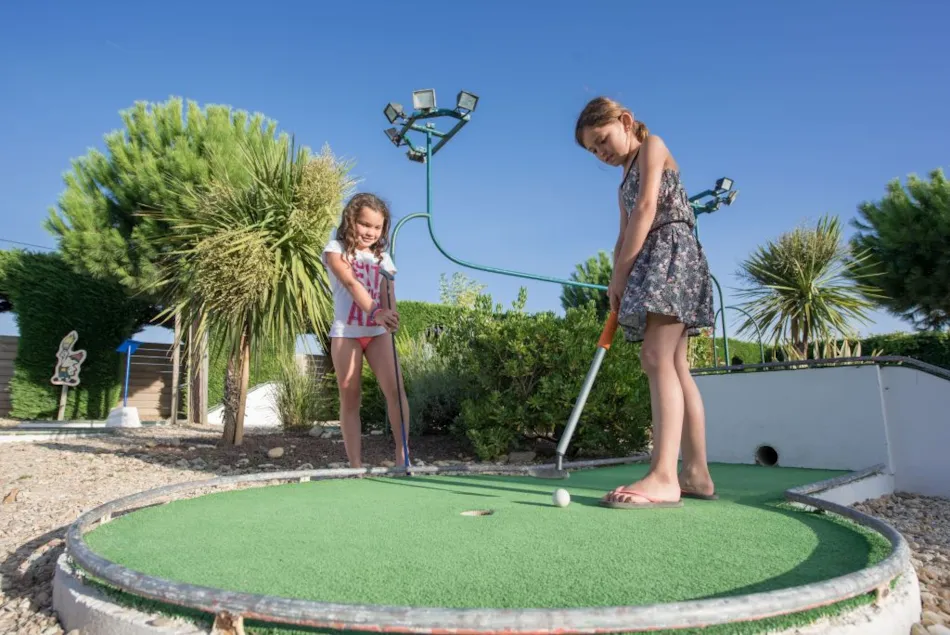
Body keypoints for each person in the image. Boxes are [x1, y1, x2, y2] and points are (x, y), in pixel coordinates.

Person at [574, 96, 717, 509]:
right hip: (649, 260)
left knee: (656, 357)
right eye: (593, 151)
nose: (601, 153)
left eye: (602, 140)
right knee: (674, 365)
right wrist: (614, 278)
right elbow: (623, 233)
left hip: (673, 253)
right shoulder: (621, 182)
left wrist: (623, 271)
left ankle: (664, 476)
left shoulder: (653, 146)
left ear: (625, 121)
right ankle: (696, 474)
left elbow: (647, 207)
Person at [322, 192, 409, 469]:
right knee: (351, 397)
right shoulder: (335, 249)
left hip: (377, 334)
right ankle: (355, 465)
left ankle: (403, 457)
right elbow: (350, 283)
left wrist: (390, 315)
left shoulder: (383, 259)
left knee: (396, 391)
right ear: (351, 221)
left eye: (377, 227)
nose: (371, 232)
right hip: (346, 332)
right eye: (365, 224)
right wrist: (375, 312)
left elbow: (388, 293)